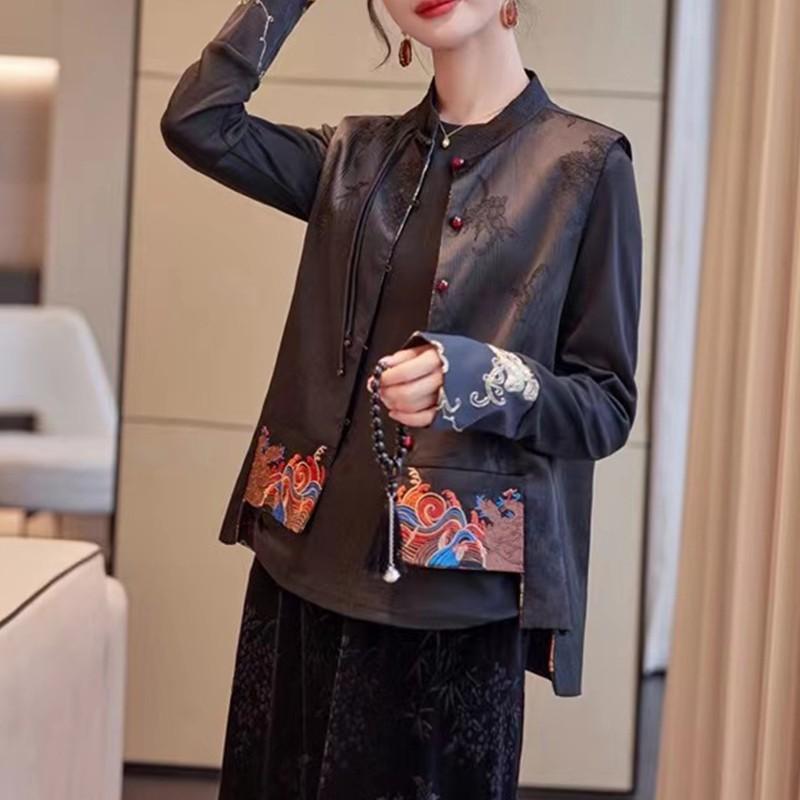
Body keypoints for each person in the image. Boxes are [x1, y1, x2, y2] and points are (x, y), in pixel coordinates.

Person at [160, 0, 643, 796]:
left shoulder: (584, 167)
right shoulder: (352, 157)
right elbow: (198, 121)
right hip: (299, 575)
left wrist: (477, 378)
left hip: (454, 604)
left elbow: (605, 406)